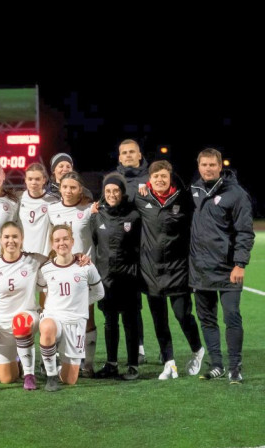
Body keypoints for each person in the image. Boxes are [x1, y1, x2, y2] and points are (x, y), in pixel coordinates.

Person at [189, 148, 254, 383]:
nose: (208, 168)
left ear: (220, 166)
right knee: (206, 319)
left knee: (232, 317)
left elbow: (245, 232)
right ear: (199, 166)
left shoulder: (236, 194)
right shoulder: (194, 191)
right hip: (200, 269)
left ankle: (235, 366)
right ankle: (216, 364)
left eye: (212, 165)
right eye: (204, 164)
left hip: (228, 269)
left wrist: (240, 263)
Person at [135, 160, 204, 380]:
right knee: (159, 320)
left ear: (170, 176)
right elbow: (115, 202)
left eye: (164, 176)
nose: (160, 180)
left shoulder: (183, 198)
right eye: (156, 177)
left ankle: (197, 350)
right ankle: (169, 363)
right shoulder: (142, 197)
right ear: (150, 179)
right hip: (151, 272)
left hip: (178, 270)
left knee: (182, 315)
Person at [37, 224, 104, 392]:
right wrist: (44, 310)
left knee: (70, 380)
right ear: (52, 244)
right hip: (54, 318)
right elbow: (41, 290)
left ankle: (58, 366)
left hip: (76, 323)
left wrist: (81, 302)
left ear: (72, 241)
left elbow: (99, 292)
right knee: (46, 326)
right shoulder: (46, 269)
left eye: (65, 239)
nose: (62, 243)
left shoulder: (85, 266)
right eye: (57, 240)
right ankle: (51, 375)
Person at [0, 222, 49, 390]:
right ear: (0, 240)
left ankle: (29, 374)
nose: (10, 241)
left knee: (20, 323)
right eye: (6, 237)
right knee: (6, 378)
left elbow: (57, 258)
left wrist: (79, 256)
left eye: (15, 237)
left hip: (26, 316)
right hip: (2, 323)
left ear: (22, 239)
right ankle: (19, 363)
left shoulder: (34, 260)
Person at [90, 174, 142, 381]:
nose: (112, 194)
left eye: (116, 191)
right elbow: (94, 244)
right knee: (110, 322)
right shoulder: (97, 215)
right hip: (106, 279)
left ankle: (133, 366)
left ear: (122, 192)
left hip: (128, 279)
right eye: (108, 191)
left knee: (130, 322)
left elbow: (140, 246)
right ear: (104, 192)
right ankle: (111, 364)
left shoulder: (134, 216)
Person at [47, 171, 98, 375]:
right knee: (60, 316)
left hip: (83, 270)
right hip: (60, 270)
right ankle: (62, 359)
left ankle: (88, 364)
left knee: (88, 317)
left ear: (80, 190)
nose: (68, 191)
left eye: (73, 187)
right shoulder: (51, 210)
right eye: (65, 187)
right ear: (59, 187)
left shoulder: (89, 209)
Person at [115, 139, 149, 363]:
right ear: (119, 157)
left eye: (131, 152)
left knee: (155, 302)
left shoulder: (151, 178)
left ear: (139, 155)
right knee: (128, 303)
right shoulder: (113, 180)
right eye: (124, 153)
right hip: (123, 252)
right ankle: (137, 347)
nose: (127, 156)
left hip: (149, 250)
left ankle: (165, 354)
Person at [19, 163, 59, 256]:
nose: (33, 182)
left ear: (44, 180)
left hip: (45, 255)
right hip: (23, 255)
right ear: (25, 180)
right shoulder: (19, 199)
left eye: (37, 179)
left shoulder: (53, 201)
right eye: (30, 179)